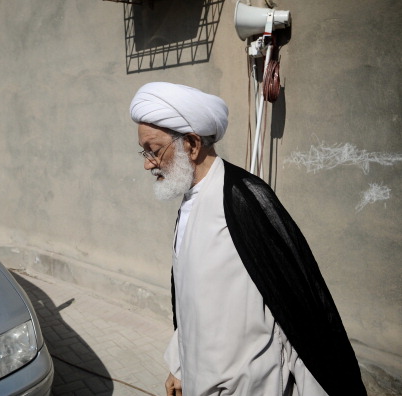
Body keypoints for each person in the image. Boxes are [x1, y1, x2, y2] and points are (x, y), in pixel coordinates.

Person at [129, 82, 366, 396]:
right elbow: (189, 299)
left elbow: (299, 308)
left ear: (191, 144)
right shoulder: (190, 200)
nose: (147, 163)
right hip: (200, 380)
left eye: (154, 150)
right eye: (144, 152)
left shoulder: (244, 199)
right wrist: (179, 366)